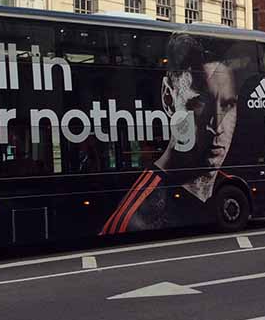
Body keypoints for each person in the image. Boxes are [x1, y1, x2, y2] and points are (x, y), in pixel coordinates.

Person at [100, 34, 241, 234]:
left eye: (228, 105)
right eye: (199, 104)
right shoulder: (138, 214)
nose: (217, 126)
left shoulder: (222, 180)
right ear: (168, 98)